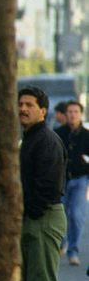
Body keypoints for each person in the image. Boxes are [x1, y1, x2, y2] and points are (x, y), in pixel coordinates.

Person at [18, 85, 66, 281]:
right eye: (21, 104)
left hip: (43, 218)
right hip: (34, 218)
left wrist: (30, 211)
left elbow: (48, 186)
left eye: (29, 105)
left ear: (43, 110)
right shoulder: (32, 138)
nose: (23, 109)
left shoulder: (45, 140)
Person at [56, 100, 89, 266]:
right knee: (60, 214)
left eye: (76, 111)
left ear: (80, 114)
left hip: (80, 180)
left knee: (76, 215)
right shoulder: (57, 134)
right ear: (65, 114)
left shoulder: (87, 135)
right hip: (61, 181)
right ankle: (62, 242)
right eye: (69, 111)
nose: (72, 114)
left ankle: (73, 250)